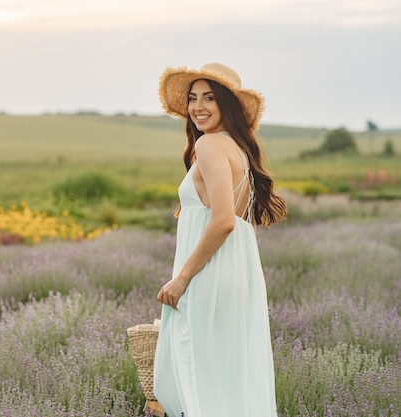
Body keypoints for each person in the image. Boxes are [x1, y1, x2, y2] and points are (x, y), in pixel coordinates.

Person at [153, 62, 287, 417]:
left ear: (227, 105)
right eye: (193, 98)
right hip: (236, 277)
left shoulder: (211, 145)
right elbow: (238, 224)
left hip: (207, 277)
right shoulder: (238, 150)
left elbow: (224, 221)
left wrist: (182, 278)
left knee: (197, 379)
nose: (198, 106)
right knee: (227, 380)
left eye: (209, 98)